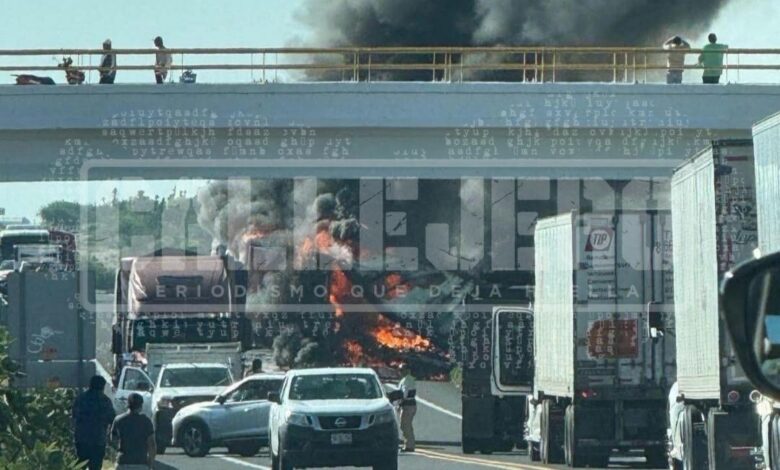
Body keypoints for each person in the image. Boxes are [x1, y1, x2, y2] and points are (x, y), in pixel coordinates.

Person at [72, 375, 116, 470]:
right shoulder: (105, 401)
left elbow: (74, 415)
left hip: (82, 438)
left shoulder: (81, 398)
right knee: (95, 467)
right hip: (98, 440)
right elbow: (112, 419)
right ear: (102, 387)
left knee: (80, 465)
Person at [111, 393, 156, 470]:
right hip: (141, 463)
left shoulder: (118, 420)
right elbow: (151, 444)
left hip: (123, 462)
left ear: (128, 404)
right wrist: (150, 463)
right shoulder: (146, 421)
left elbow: (113, 440)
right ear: (141, 406)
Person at [397, 364, 417, 452]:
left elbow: (404, 394)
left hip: (407, 405)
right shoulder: (410, 379)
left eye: (402, 370)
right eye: (400, 370)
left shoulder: (405, 380)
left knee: (405, 425)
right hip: (412, 405)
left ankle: (409, 446)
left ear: (407, 370)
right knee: (407, 425)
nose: (400, 372)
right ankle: (409, 444)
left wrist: (399, 402)